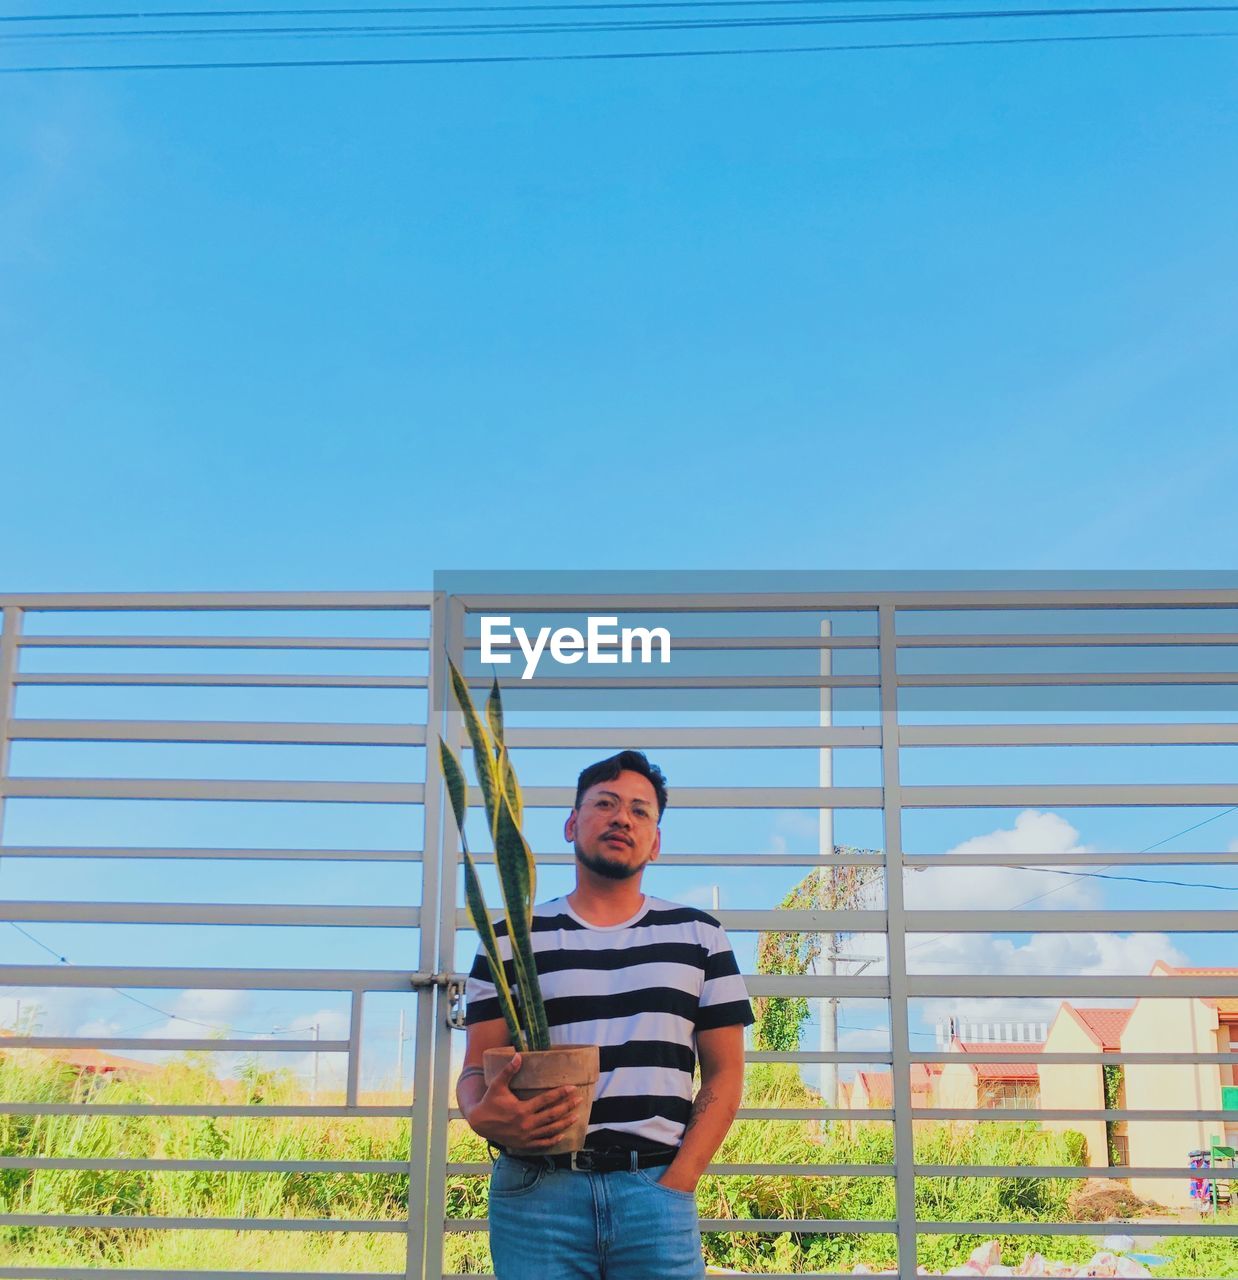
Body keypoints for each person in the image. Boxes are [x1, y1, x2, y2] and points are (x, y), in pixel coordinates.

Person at [456, 750, 753, 1279]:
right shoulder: (509, 939)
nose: (622, 818)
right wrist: (480, 1114)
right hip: (535, 1196)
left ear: (655, 842)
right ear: (572, 824)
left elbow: (726, 1075)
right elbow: (475, 1069)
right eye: (606, 803)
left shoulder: (700, 937)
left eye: (641, 811)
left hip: (655, 1191)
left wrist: (679, 1180)